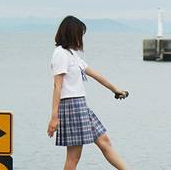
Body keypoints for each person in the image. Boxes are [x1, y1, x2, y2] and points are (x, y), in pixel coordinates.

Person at [47, 15, 129, 170]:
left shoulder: (71, 54)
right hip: (71, 107)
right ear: (72, 34)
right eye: (80, 34)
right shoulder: (60, 54)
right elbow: (57, 86)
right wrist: (54, 117)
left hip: (81, 106)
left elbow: (95, 74)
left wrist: (115, 90)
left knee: (104, 141)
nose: (81, 38)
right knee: (73, 157)